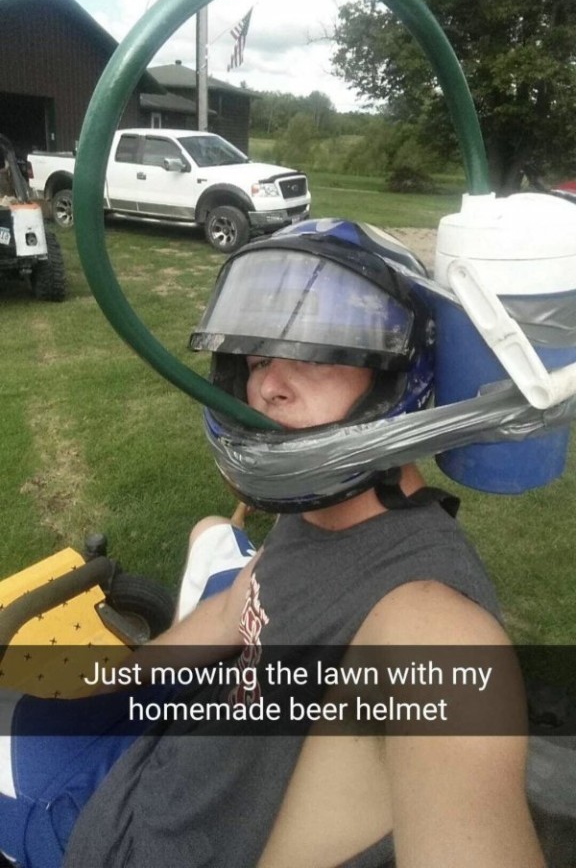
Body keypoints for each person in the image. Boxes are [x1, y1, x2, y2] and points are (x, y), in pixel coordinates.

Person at [0, 220, 545, 868]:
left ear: (399, 378)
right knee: (210, 532)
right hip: (147, 755)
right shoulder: (312, 512)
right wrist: (112, 687)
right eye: (258, 359)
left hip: (111, 843)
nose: (267, 387)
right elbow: (232, 612)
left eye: (314, 353)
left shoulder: (429, 624)